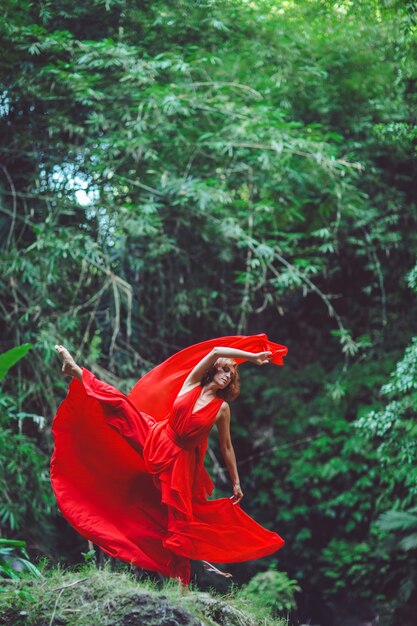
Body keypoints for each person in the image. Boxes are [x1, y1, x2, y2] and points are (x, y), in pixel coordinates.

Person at [51, 334, 287, 584]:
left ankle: (180, 583)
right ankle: (76, 370)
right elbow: (216, 350)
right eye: (226, 369)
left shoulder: (221, 408)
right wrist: (253, 356)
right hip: (158, 437)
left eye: (232, 375)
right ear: (215, 369)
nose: (228, 375)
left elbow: (227, 447)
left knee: (180, 524)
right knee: (121, 407)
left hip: (180, 464)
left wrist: (236, 482)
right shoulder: (192, 383)